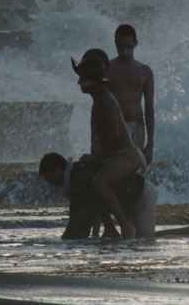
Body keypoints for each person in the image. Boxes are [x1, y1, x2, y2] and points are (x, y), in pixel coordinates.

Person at [39, 152, 189, 239]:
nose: (51, 182)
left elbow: (79, 218)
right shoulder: (78, 175)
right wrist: (106, 230)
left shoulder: (80, 177)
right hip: (128, 199)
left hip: (141, 194)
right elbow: (96, 204)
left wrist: (65, 241)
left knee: (145, 240)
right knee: (134, 239)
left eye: (49, 177)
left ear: (59, 169)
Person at [72, 49, 145, 239]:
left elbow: (114, 135)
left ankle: (125, 225)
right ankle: (105, 228)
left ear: (94, 81)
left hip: (126, 155)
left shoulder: (105, 100)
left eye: (83, 79)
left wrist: (96, 157)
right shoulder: (98, 99)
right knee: (87, 179)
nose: (79, 83)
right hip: (113, 156)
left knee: (99, 182)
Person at [106, 24, 155, 164]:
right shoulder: (107, 69)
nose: (124, 50)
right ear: (115, 43)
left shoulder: (145, 71)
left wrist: (150, 144)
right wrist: (95, 139)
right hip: (114, 126)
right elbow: (99, 105)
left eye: (128, 46)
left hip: (137, 125)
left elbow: (149, 108)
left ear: (135, 44)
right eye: (120, 47)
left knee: (135, 169)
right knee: (114, 166)